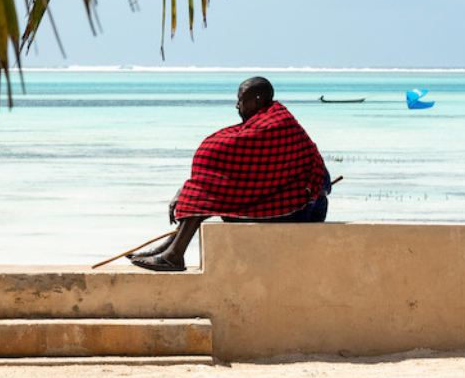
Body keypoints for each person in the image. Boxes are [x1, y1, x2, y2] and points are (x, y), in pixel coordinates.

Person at [130, 77, 331, 272]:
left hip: (303, 210)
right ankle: (170, 247)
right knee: (212, 193)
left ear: (257, 101)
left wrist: (191, 190)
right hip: (286, 201)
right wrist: (187, 189)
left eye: (241, 101)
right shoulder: (267, 119)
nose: (237, 106)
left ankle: (173, 254)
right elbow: (239, 176)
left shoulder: (276, 125)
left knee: (213, 195)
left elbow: (227, 172)